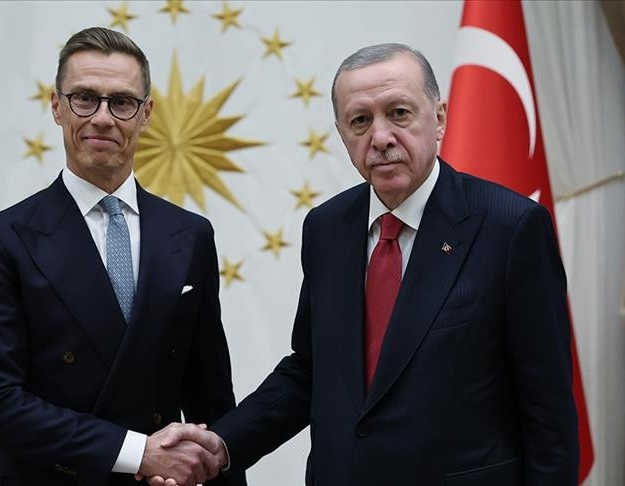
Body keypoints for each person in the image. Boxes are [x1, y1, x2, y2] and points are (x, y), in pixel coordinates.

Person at [149, 43, 579, 485]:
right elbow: (310, 370)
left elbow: (549, 415)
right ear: (342, 134)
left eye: (399, 113)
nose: (381, 137)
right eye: (360, 121)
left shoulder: (511, 227)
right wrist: (222, 444)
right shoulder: (327, 228)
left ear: (439, 118)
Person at [0, 27, 244, 486]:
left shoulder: (190, 235)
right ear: (56, 106)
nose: (103, 118)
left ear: (146, 114)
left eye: (122, 102)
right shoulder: (2, 238)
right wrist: (137, 453)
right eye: (85, 99)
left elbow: (210, 400)